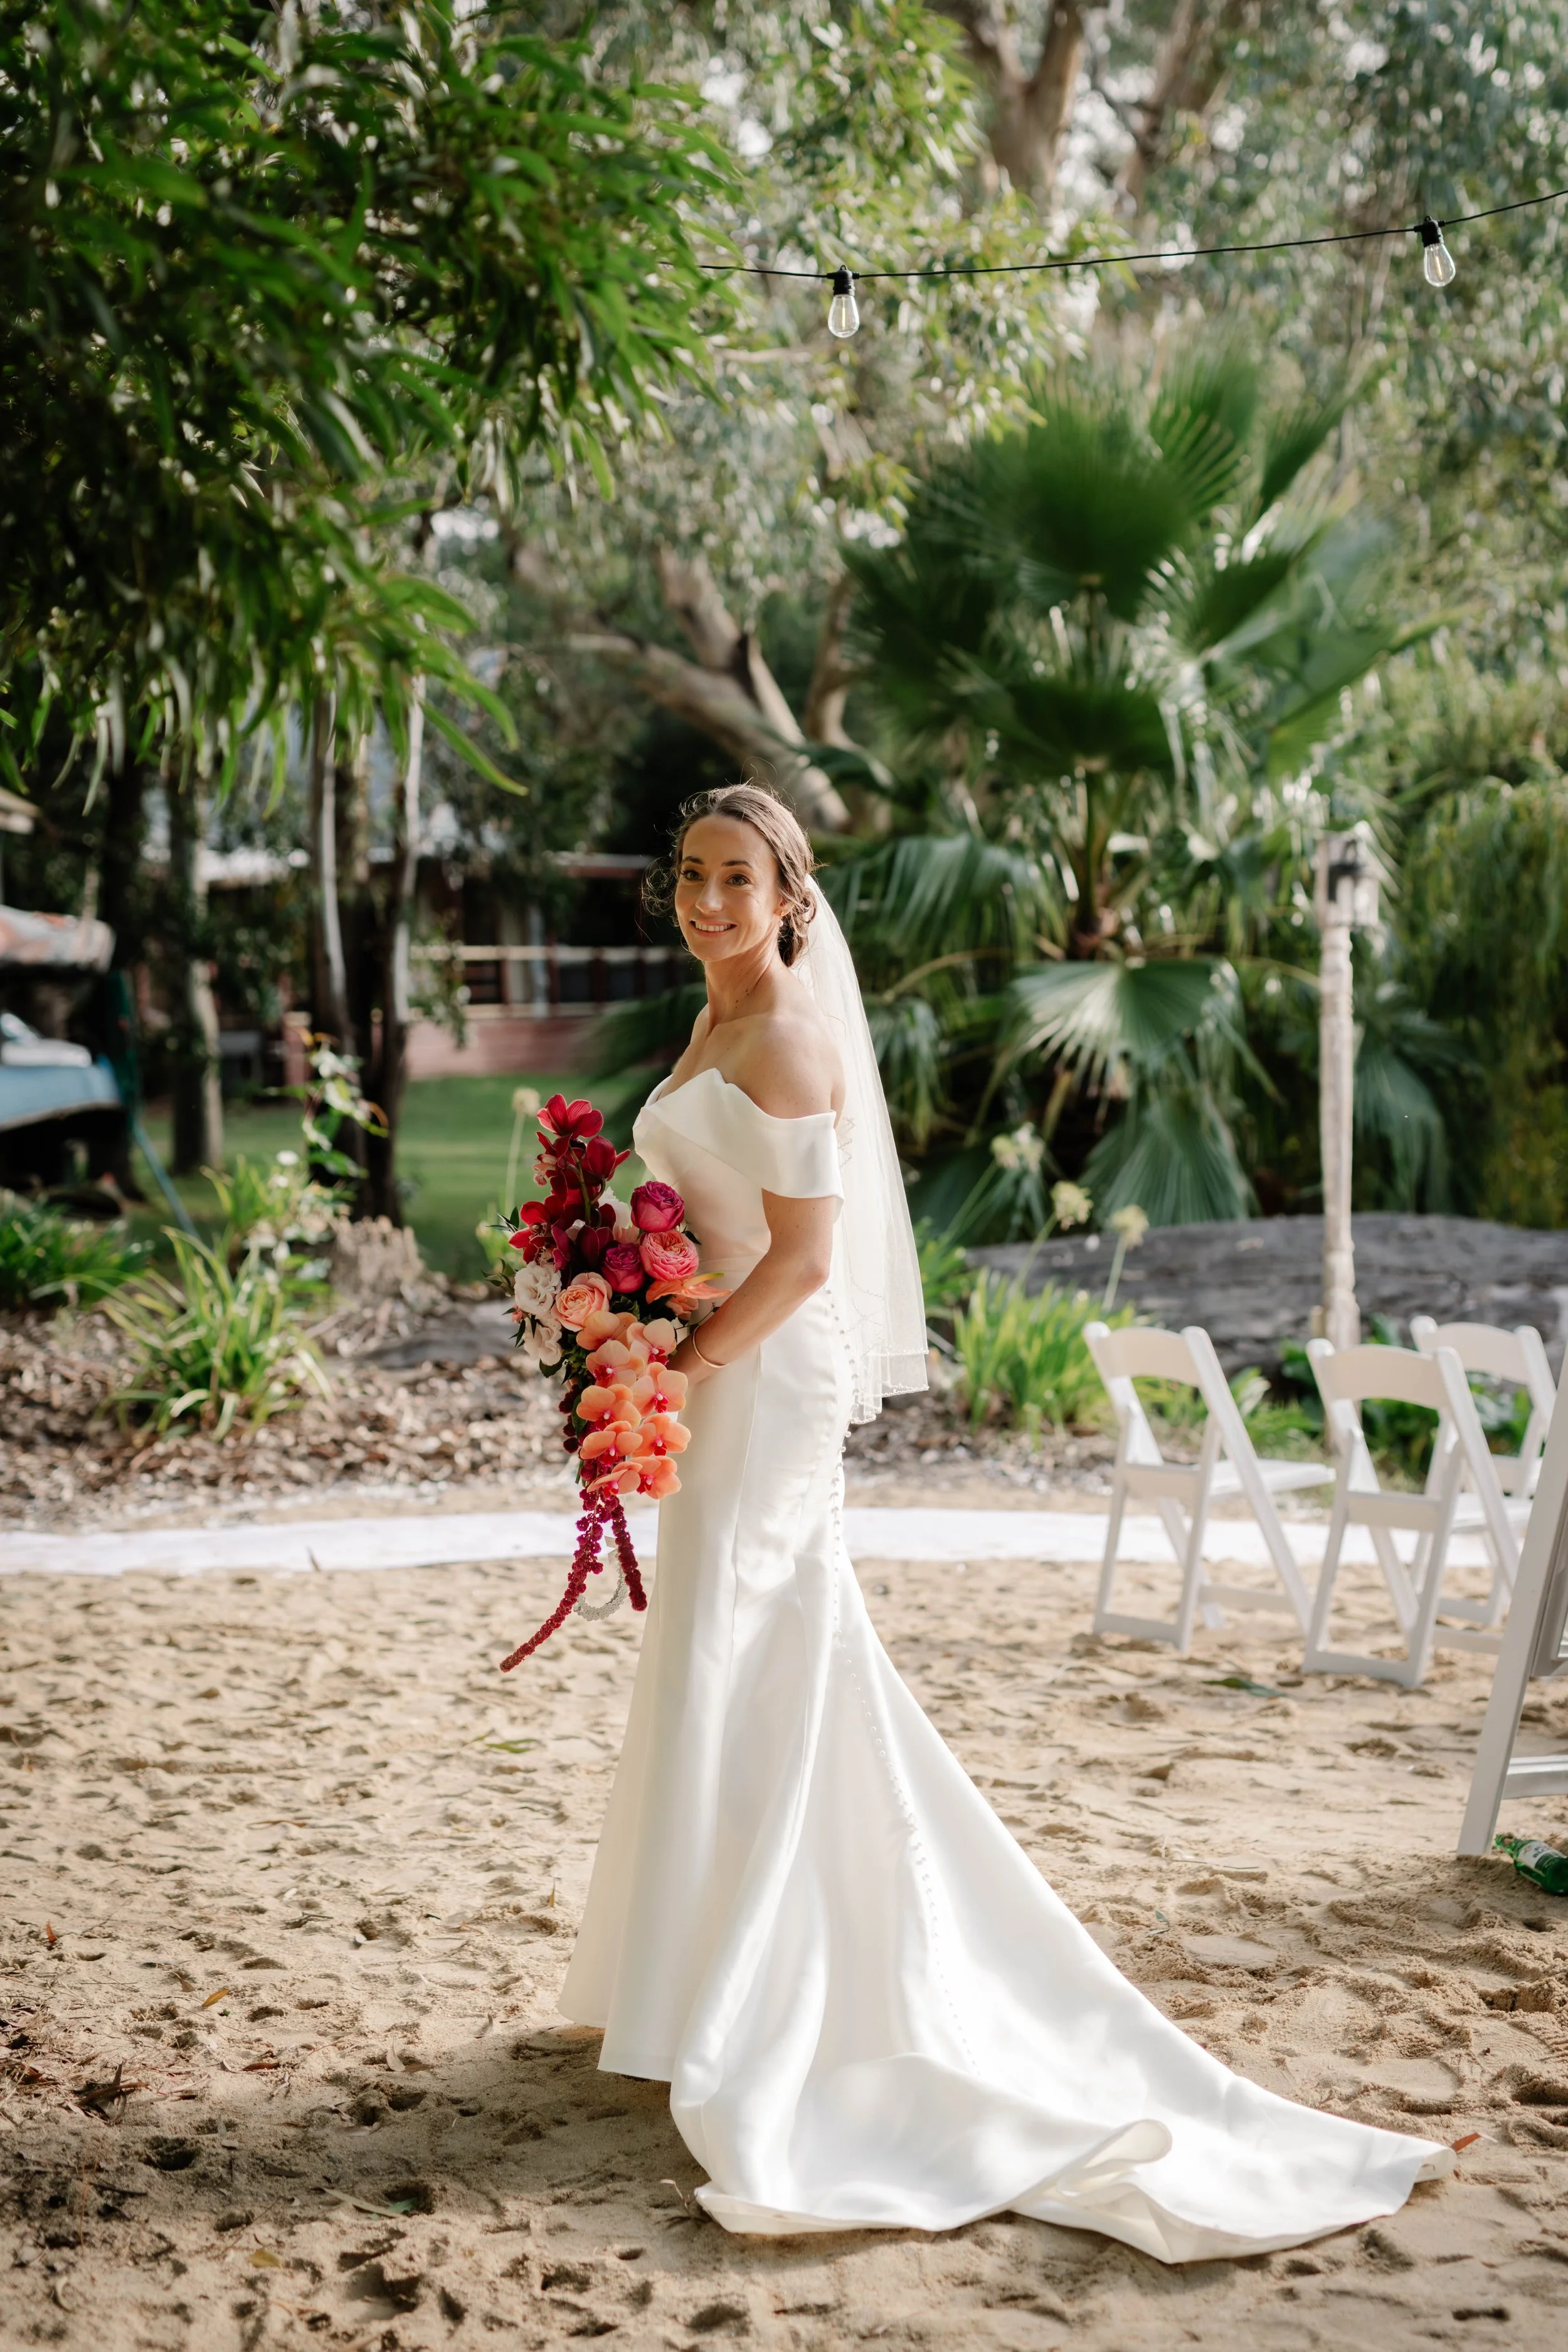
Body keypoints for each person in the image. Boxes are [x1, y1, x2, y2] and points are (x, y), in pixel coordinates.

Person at [558, 781, 1453, 2255]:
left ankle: (770, 1995)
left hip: (758, 1381)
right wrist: (609, 1299)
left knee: (750, 1645)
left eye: (740, 880)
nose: (712, 903)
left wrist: (680, 1356)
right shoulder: (712, 1019)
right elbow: (691, 1218)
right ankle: (691, 1975)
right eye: (694, 878)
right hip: (698, 1366)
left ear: (793, 896)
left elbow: (799, 1259)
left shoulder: (781, 1035)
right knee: (727, 1656)